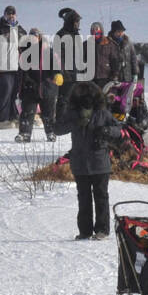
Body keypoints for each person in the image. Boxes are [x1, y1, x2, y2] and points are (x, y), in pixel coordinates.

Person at [55, 81, 123, 240]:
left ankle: (102, 230)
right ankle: (85, 231)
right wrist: (74, 123)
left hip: (100, 162)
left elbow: (119, 130)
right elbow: (57, 129)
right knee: (84, 198)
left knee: (101, 197)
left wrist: (106, 131)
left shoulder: (102, 113)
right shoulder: (72, 113)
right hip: (80, 163)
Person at [15, 30, 60, 142]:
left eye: (35, 36)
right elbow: (21, 71)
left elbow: (56, 65)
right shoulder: (24, 52)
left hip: (46, 87)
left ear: (39, 38)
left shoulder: (48, 51)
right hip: (30, 88)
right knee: (27, 113)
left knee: (48, 113)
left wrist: (57, 74)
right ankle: (24, 133)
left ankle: (51, 133)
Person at [0, 5, 26, 123]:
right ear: (4, 15)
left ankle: (13, 117)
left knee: (14, 94)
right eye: (8, 14)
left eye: (13, 14)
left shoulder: (20, 29)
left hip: (17, 68)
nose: (11, 16)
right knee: (5, 93)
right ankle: (3, 119)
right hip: (2, 68)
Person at [88, 22, 119, 90]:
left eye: (97, 33)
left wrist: (115, 74)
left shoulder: (109, 44)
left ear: (101, 32)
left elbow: (114, 60)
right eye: (93, 33)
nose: (96, 35)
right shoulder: (87, 44)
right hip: (91, 78)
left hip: (105, 77)